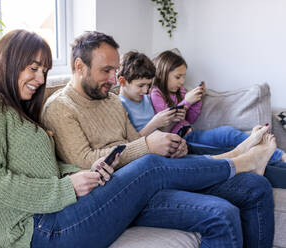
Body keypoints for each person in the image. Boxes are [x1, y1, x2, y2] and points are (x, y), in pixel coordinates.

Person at [42, 31, 276, 248]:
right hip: (119, 194)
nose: (114, 79)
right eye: (106, 71)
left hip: (151, 176)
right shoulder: (60, 108)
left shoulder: (111, 101)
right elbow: (84, 160)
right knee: (222, 215)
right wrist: (147, 146)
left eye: (115, 70)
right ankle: (237, 158)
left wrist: (168, 148)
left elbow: (134, 141)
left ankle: (239, 160)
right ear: (79, 66)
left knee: (256, 187)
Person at [150, 50, 286, 163]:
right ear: (163, 73)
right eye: (178, 77)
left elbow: (190, 119)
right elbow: (165, 124)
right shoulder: (156, 93)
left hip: (192, 134)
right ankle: (276, 156)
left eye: (183, 77)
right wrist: (186, 102)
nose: (182, 81)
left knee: (228, 134)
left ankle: (276, 156)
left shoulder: (181, 91)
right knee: (227, 142)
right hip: (180, 141)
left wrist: (197, 101)